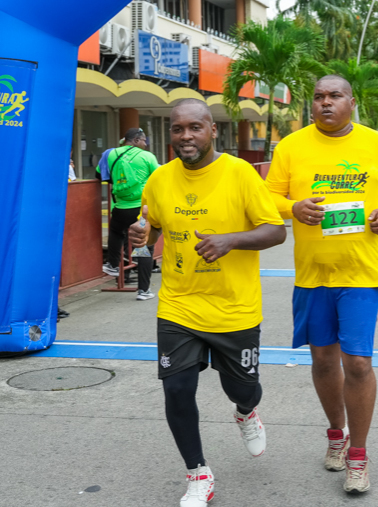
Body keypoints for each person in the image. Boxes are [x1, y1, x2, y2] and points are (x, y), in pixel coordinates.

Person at [128, 100, 286, 507]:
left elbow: (275, 231)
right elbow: (154, 223)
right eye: (178, 129)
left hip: (234, 307)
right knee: (177, 389)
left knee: (243, 387)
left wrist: (230, 240)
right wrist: (142, 234)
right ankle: (198, 473)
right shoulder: (160, 179)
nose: (186, 137)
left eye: (195, 128)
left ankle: (246, 411)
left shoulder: (240, 174)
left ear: (212, 130)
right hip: (179, 304)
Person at [265, 75, 378, 495]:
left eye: (334, 97)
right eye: (318, 97)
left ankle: (359, 456)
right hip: (312, 275)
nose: (325, 103)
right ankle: (336, 434)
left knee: (359, 364)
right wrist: (293, 207)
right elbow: (267, 196)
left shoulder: (377, 144)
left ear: (351, 102)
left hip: (361, 272)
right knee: (325, 363)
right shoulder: (292, 147)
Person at [103, 128, 160, 299]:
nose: (145, 144)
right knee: (143, 247)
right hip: (140, 210)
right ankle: (143, 290)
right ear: (135, 140)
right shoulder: (147, 157)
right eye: (144, 140)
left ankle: (112, 264)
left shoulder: (110, 154)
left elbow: (102, 175)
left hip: (119, 207)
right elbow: (159, 178)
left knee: (115, 231)